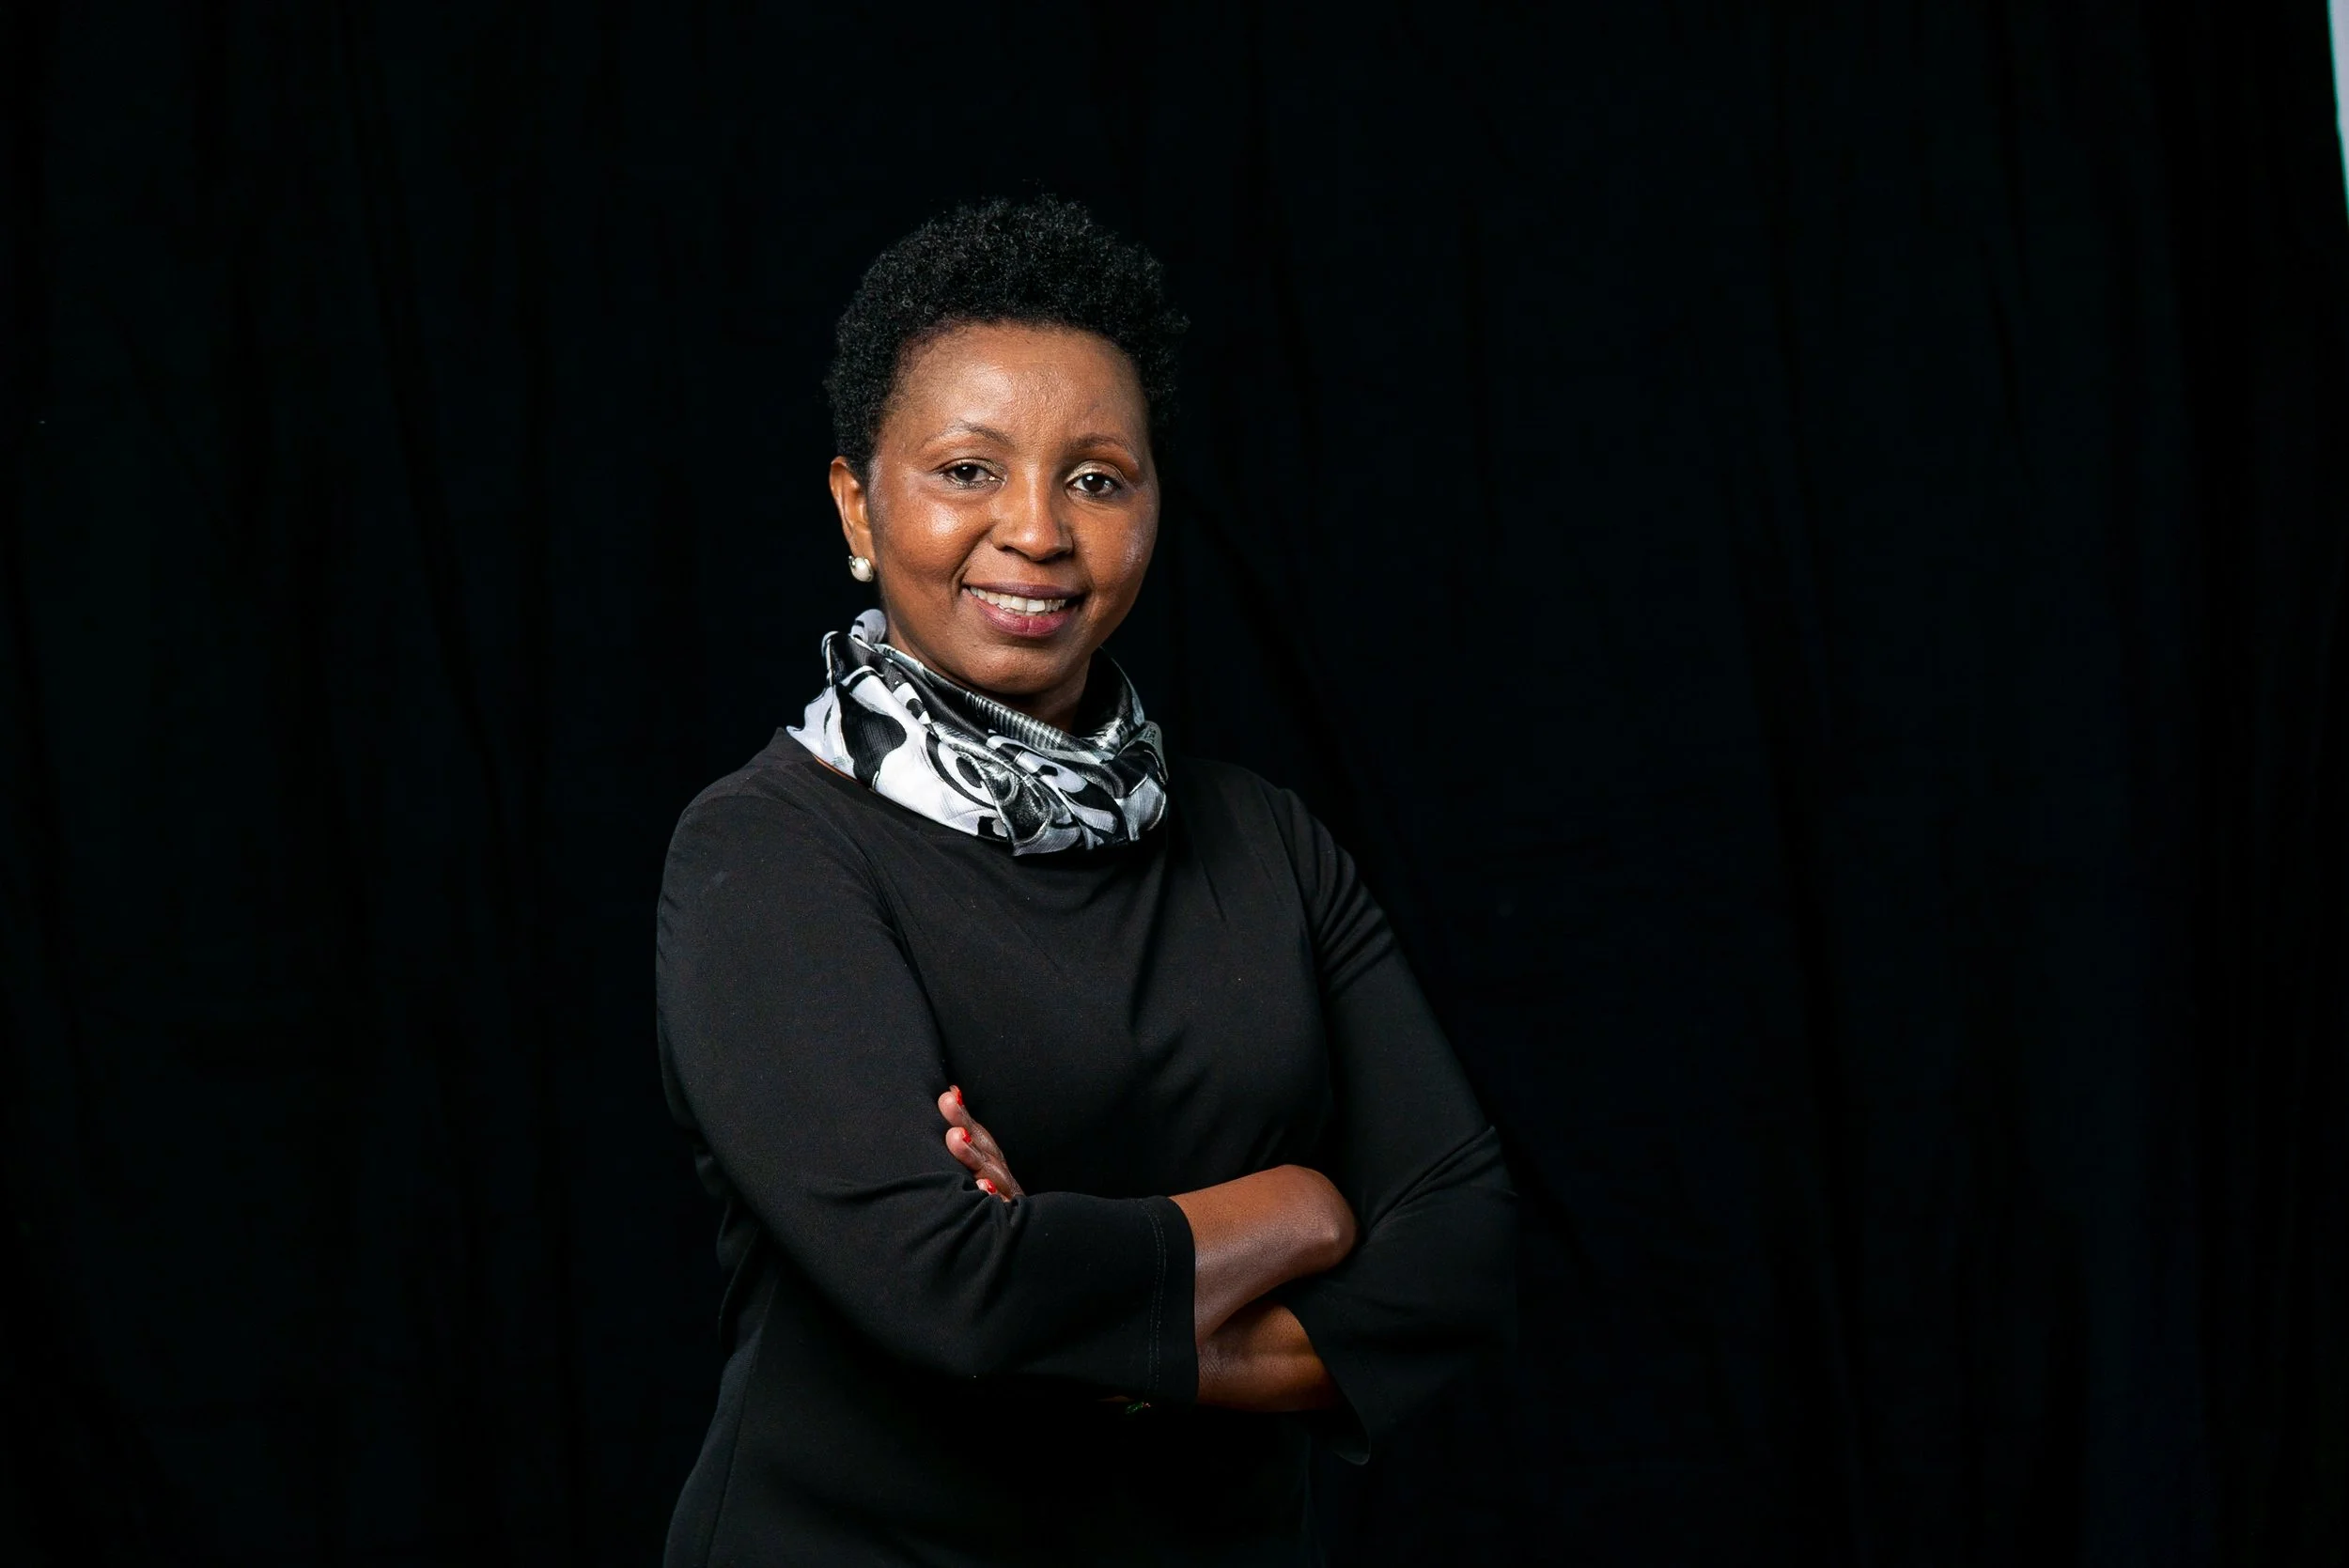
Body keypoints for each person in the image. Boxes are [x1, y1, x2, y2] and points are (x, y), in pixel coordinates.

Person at [657, 195, 1515, 1566]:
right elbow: (952, 1293)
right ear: (856, 505)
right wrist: (1297, 1210)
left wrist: (1109, 1324)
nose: (1038, 532)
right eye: (968, 471)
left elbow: (1462, 1248)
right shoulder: (766, 852)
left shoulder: (1264, 842)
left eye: (1098, 477)